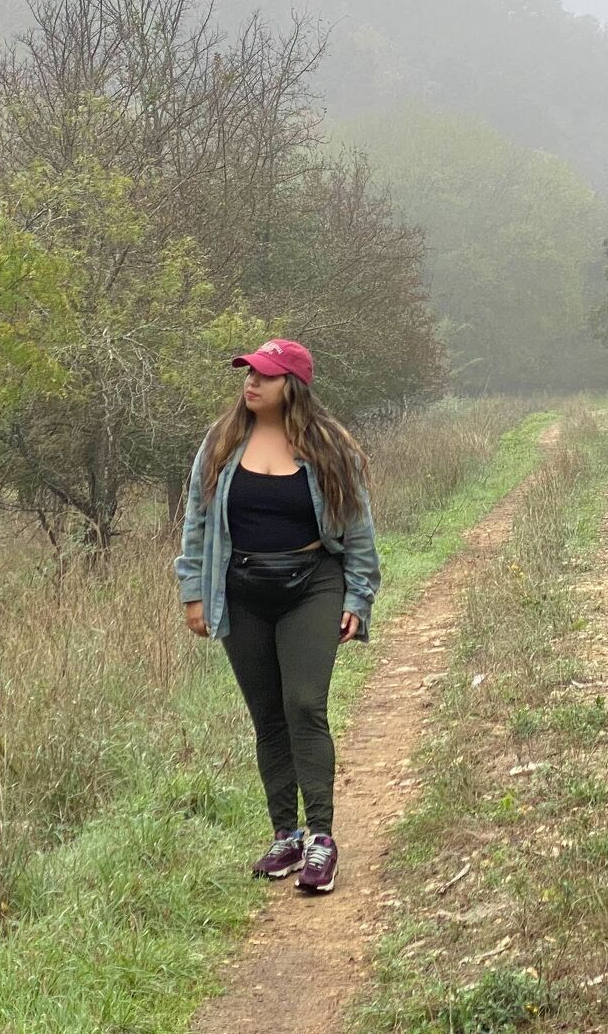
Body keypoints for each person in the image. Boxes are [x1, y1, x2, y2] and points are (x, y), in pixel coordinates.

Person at [174, 337, 381, 894]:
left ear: (292, 384)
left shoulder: (330, 447)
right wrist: (193, 590)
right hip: (241, 591)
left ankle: (321, 840)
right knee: (267, 715)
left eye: (264, 375)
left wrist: (357, 600)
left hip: (312, 585)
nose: (251, 383)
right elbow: (196, 521)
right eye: (248, 373)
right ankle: (284, 836)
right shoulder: (221, 443)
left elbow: (357, 527)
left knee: (304, 704)